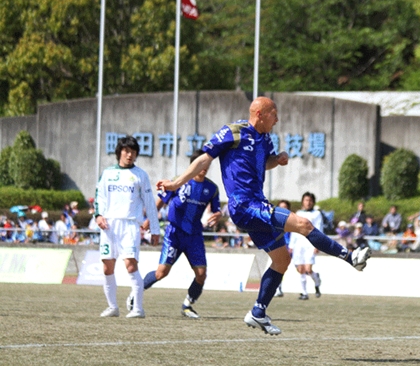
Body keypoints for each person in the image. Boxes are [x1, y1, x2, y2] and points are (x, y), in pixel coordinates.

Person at [157, 96, 371, 335]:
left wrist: (277, 160)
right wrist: (176, 183)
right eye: (274, 114)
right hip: (244, 205)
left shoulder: (265, 138)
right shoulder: (233, 132)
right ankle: (350, 257)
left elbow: (264, 162)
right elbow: (204, 159)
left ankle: (258, 312)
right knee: (303, 223)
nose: (277, 120)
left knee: (282, 260)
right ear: (259, 114)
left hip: (257, 204)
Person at [138, 149, 221, 319]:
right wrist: (149, 220)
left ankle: (187, 305)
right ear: (194, 165)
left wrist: (218, 215)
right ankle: (135, 294)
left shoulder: (212, 188)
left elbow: (217, 209)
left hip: (194, 236)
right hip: (174, 234)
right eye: (201, 164)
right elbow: (160, 201)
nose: (204, 167)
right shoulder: (178, 181)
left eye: (207, 164)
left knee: (201, 274)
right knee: (161, 273)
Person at [95, 135, 161, 319]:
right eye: (126, 151)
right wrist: (98, 216)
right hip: (109, 226)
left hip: (130, 225)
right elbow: (99, 197)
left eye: (133, 152)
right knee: (107, 267)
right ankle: (112, 307)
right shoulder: (108, 173)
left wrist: (155, 229)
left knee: (131, 266)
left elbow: (150, 203)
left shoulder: (140, 175)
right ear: (119, 152)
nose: (130, 155)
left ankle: (138, 309)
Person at [288, 192, 323, 300]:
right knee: (300, 269)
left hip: (310, 244)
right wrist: (291, 245)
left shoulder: (316, 214)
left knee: (308, 269)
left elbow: (319, 229)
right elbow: (294, 229)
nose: (308, 202)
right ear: (303, 201)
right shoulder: (298, 213)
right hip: (299, 244)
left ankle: (316, 280)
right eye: (306, 200)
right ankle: (304, 293)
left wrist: (318, 244)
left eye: (310, 200)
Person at [274, 200, 291, 298]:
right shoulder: (274, 221)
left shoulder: (292, 222)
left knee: (302, 269)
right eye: (280, 208)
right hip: (278, 247)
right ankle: (278, 288)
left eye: (285, 208)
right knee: (278, 267)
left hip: (289, 247)